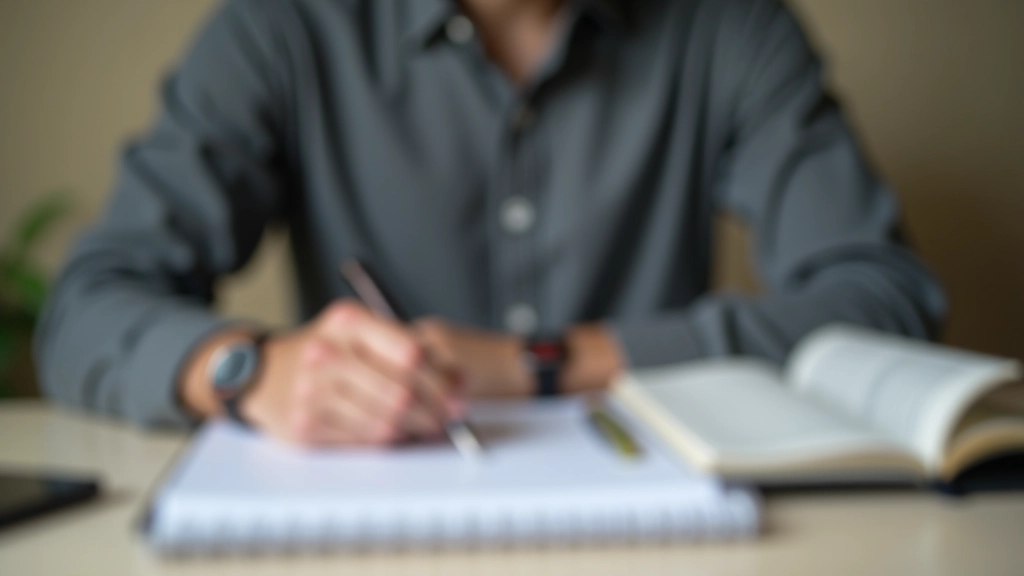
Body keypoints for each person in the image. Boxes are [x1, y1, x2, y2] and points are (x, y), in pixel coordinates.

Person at [36, 0, 945, 446]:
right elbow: (88, 305)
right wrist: (249, 371)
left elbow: (884, 300)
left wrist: (546, 365)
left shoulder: (728, 27)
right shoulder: (284, 26)